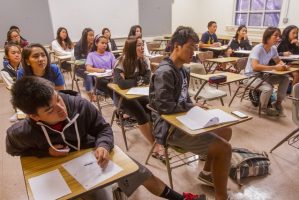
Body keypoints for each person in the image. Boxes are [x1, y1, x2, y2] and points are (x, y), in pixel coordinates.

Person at [6, 76, 206, 200]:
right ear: (33, 116)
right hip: (64, 171)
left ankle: (180, 198)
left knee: (141, 171)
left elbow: (103, 128)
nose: (61, 109)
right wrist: (44, 151)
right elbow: (13, 149)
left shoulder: (80, 106)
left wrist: (103, 144)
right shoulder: (22, 132)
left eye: (58, 99)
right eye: (50, 110)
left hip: (91, 156)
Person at [149, 26, 232, 200]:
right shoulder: (165, 72)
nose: (193, 52)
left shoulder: (183, 70)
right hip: (169, 127)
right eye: (190, 47)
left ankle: (207, 172)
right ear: (177, 46)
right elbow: (165, 108)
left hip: (183, 119)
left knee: (226, 130)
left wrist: (194, 106)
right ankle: (221, 197)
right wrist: (190, 109)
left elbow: (183, 99)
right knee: (224, 149)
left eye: (195, 48)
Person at [114, 36, 165, 159]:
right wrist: (138, 80)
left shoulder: (144, 60)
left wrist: (131, 79)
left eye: (142, 45)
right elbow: (121, 84)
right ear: (131, 48)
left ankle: (158, 138)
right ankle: (155, 145)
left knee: (153, 108)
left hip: (139, 93)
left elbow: (147, 79)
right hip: (123, 97)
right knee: (141, 114)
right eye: (138, 45)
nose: (142, 48)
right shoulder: (121, 61)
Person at [245, 27, 290, 116]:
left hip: (262, 75)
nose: (278, 38)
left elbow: (278, 61)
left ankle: (277, 103)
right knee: (268, 88)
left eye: (279, 36)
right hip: (250, 77)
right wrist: (274, 67)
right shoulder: (258, 48)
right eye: (275, 35)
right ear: (267, 36)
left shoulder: (273, 48)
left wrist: (283, 65)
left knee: (285, 78)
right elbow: (255, 67)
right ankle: (264, 108)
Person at [85, 35, 115, 101]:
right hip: (99, 79)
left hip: (110, 77)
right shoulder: (91, 55)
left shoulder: (110, 54)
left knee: (115, 83)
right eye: (102, 43)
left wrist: (114, 73)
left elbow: (115, 67)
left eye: (106, 43)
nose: (104, 45)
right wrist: (99, 70)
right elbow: (88, 68)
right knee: (110, 85)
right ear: (96, 43)